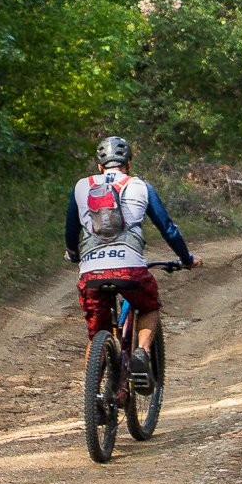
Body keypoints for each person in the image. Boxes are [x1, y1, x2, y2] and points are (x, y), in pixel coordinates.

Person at [64, 135, 194, 392]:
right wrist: (187, 259)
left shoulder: (81, 186)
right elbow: (168, 229)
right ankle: (141, 352)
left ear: (100, 166)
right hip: (131, 270)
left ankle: (94, 394)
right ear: (129, 163)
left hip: (91, 273)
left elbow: (71, 229)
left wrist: (74, 254)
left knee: (96, 333)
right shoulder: (140, 186)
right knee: (149, 307)